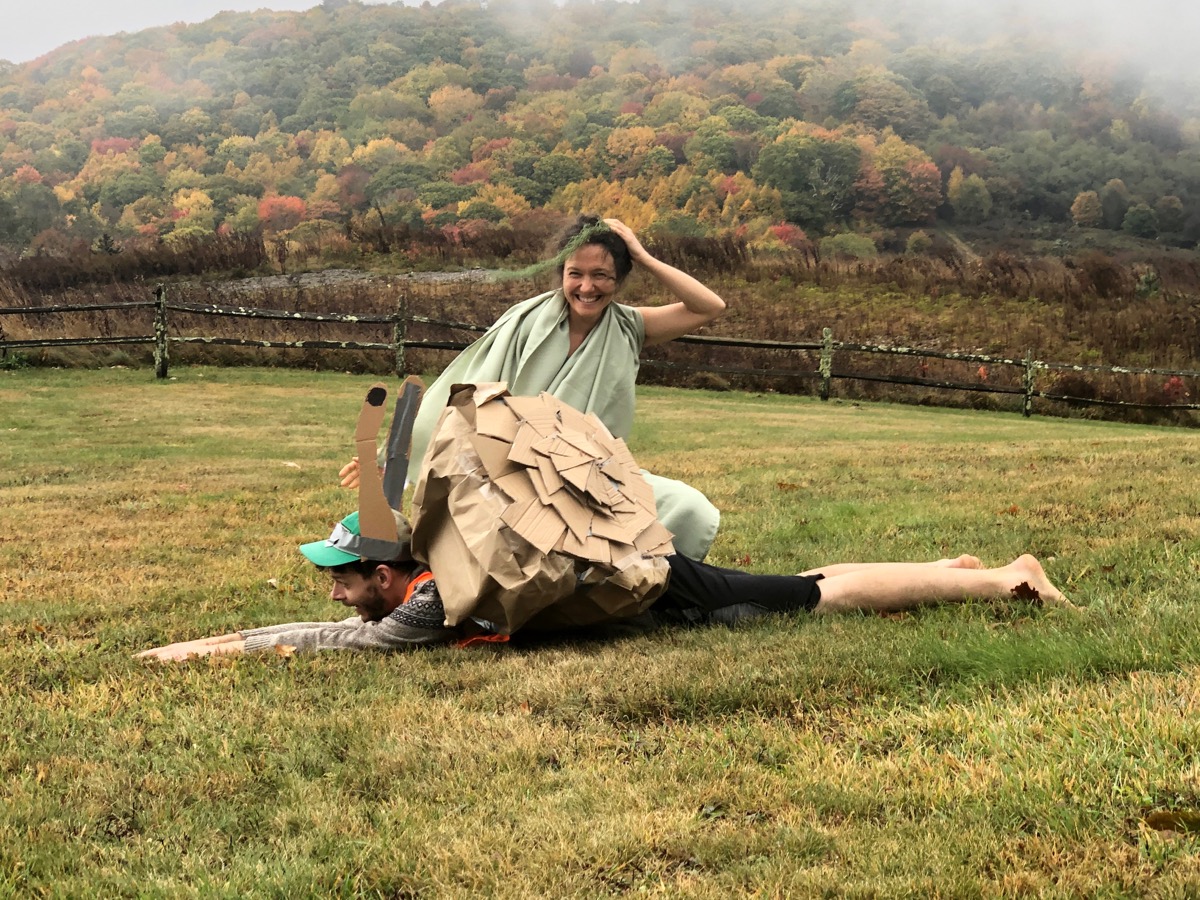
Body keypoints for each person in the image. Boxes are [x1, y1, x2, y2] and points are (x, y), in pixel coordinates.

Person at [136, 508, 1070, 661]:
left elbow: (320, 643)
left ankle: (1005, 580)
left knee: (819, 591)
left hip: (652, 586)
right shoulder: (441, 576)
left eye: (343, 582)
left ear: (383, 575)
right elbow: (318, 625)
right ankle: (952, 578)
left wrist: (205, 649)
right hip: (645, 608)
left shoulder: (427, 607)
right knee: (809, 592)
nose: (338, 596)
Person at [344, 215, 727, 561]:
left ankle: (656, 582)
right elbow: (462, 390)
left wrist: (642, 255)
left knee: (687, 507)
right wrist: (391, 459)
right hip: (514, 475)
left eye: (602, 276)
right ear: (561, 272)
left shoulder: (631, 326)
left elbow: (709, 306)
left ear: (620, 279)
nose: (587, 287)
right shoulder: (525, 321)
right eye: (575, 273)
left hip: (591, 478)